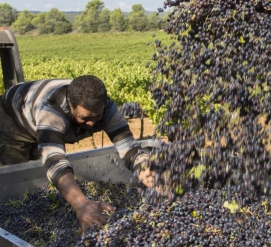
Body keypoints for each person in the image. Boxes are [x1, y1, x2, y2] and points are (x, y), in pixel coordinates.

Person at [0, 75, 155, 231]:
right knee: (17, 176)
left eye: (97, 116)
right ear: (70, 105)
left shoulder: (108, 108)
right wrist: (81, 203)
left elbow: (128, 147)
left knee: (37, 168)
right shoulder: (51, 111)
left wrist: (148, 173)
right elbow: (55, 161)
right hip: (13, 119)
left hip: (42, 118)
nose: (91, 123)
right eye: (85, 117)